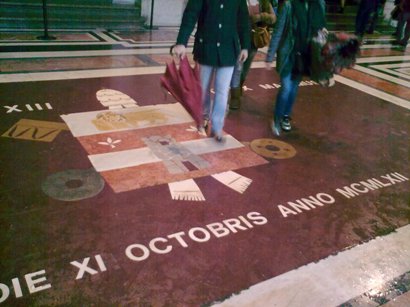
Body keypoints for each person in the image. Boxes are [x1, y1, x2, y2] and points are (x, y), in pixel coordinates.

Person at [173, 0, 250, 142]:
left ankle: (217, 127)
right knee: (202, 88)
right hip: (205, 47)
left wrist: (245, 46)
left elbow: (243, 20)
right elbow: (191, 14)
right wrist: (181, 42)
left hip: (228, 50)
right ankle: (202, 118)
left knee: (222, 91)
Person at [265, 0, 327, 136]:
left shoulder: (317, 5)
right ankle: (277, 118)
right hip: (288, 54)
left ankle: (286, 116)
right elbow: (278, 31)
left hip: (305, 55)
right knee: (286, 87)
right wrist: (270, 55)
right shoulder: (289, 5)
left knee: (294, 88)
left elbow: (321, 29)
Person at [229, 0, 276, 110]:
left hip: (254, 40)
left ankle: (238, 86)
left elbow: (273, 18)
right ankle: (234, 97)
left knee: (245, 68)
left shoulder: (263, 2)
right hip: (238, 38)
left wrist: (259, 17)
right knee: (238, 67)